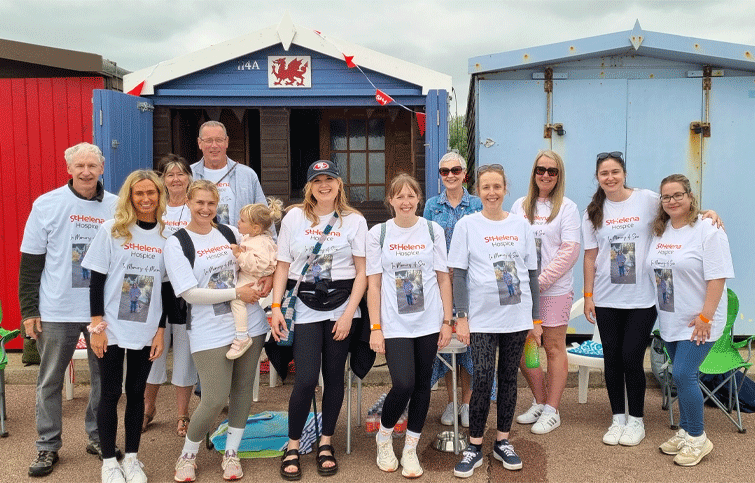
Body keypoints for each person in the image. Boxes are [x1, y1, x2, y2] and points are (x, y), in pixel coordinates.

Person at [583, 152, 721, 447]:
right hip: (607, 298)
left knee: (632, 358)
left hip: (643, 300)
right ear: (597, 177)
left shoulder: (647, 199)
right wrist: (588, 295)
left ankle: (636, 421)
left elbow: (679, 210)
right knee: (612, 361)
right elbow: (590, 256)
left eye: (615, 172)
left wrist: (709, 212)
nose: (610, 177)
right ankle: (617, 418)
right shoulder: (593, 210)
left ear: (624, 173)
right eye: (604, 173)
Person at [19, 142, 118, 477]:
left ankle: (97, 438)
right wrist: (29, 309)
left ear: (102, 168)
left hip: (101, 313)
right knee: (49, 381)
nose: (86, 172)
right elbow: (30, 264)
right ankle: (47, 447)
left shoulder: (117, 207)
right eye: (80, 166)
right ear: (69, 169)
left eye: (92, 165)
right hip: (56, 309)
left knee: (105, 380)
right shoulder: (47, 204)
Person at [166, 180, 269, 482]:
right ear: (187, 201)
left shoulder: (229, 233)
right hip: (208, 328)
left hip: (248, 324)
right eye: (199, 203)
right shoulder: (178, 243)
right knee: (213, 398)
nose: (205, 209)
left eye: (211, 204)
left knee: (241, 393)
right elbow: (188, 293)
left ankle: (232, 453)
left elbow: (255, 264)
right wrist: (237, 294)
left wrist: (264, 282)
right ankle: (187, 455)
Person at [270, 160, 367, 480]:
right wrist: (274, 307)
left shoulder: (354, 221)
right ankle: (293, 444)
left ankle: (326, 442)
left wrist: (349, 314)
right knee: (306, 378)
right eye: (317, 180)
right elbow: (282, 266)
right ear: (309, 187)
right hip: (305, 306)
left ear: (340, 184)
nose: (324, 185)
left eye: (330, 179)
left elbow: (362, 272)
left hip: (342, 305)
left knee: (334, 378)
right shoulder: (294, 217)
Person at [448, 164, 540, 477]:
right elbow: (458, 274)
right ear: (478, 190)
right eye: (486, 187)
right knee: (484, 377)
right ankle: (474, 446)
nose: (491, 193)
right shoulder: (467, 225)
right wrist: (461, 317)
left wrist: (535, 318)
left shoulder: (520, 225)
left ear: (505, 189)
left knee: (510, 377)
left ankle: (502, 441)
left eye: (497, 187)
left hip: (515, 316)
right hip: (482, 318)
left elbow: (531, 274)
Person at [82, 170, 169, 483]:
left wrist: (161, 330)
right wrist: (96, 326)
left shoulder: (167, 235)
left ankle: (132, 459)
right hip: (112, 326)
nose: (146, 199)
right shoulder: (112, 229)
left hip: (146, 327)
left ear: (160, 196)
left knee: (136, 393)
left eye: (151, 193)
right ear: (129, 196)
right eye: (139, 193)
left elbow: (167, 288)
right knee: (109, 393)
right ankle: (109, 462)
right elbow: (96, 280)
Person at [367, 174, 453, 478]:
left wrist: (447, 320)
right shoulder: (378, 233)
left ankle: (411, 449)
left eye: (411, 196)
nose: (406, 202)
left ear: (419, 199)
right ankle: (384, 437)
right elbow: (373, 285)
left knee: (422, 386)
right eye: (399, 196)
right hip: (395, 323)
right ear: (390, 200)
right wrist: (376, 327)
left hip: (429, 322)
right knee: (403, 383)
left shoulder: (433, 230)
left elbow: (443, 277)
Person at [648, 174, 733, 467]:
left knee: (685, 374)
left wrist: (705, 317)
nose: (672, 201)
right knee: (679, 375)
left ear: (690, 195)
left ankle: (698, 438)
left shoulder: (708, 228)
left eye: (677, 195)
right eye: (666, 197)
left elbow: (718, 276)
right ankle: (685, 430)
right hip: (671, 318)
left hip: (699, 320)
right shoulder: (661, 230)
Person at [511, 150, 581, 435]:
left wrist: (538, 282)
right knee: (523, 347)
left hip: (554, 291)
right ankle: (540, 401)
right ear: (534, 172)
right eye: (541, 169)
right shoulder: (519, 206)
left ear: (559, 176)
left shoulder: (567, 207)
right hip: (523, 292)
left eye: (552, 171)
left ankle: (553, 409)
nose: (546, 175)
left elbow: (570, 251)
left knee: (553, 348)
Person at [423, 152, 482, 429]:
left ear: (464, 173)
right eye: (444, 171)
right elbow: (425, 240)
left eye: (455, 169)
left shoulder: (478, 204)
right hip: (442, 283)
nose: (450, 175)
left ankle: (468, 401)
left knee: (468, 343)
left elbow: (484, 240)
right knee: (448, 345)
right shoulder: (432, 205)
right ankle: (451, 400)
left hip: (471, 282)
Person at [143, 155, 197, 438]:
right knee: (154, 351)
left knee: (185, 354)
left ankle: (182, 413)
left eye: (181, 174)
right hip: (157, 289)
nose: (176, 179)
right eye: (170, 174)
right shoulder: (155, 208)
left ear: (189, 177)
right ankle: (147, 408)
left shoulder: (196, 208)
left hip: (187, 290)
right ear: (162, 179)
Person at [227, 198, 282, 359]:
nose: (238, 222)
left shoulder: (261, 242)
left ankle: (242, 335)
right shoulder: (252, 238)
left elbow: (261, 265)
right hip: (250, 278)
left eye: (242, 220)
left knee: (236, 301)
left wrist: (239, 254)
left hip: (254, 281)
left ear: (256, 228)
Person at [191, 121, 268, 226]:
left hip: (240, 241)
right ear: (200, 143)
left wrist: (271, 240)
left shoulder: (247, 175)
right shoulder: (188, 175)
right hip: (199, 240)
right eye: (209, 140)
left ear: (226, 142)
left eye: (219, 140)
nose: (214, 145)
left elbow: (263, 215)